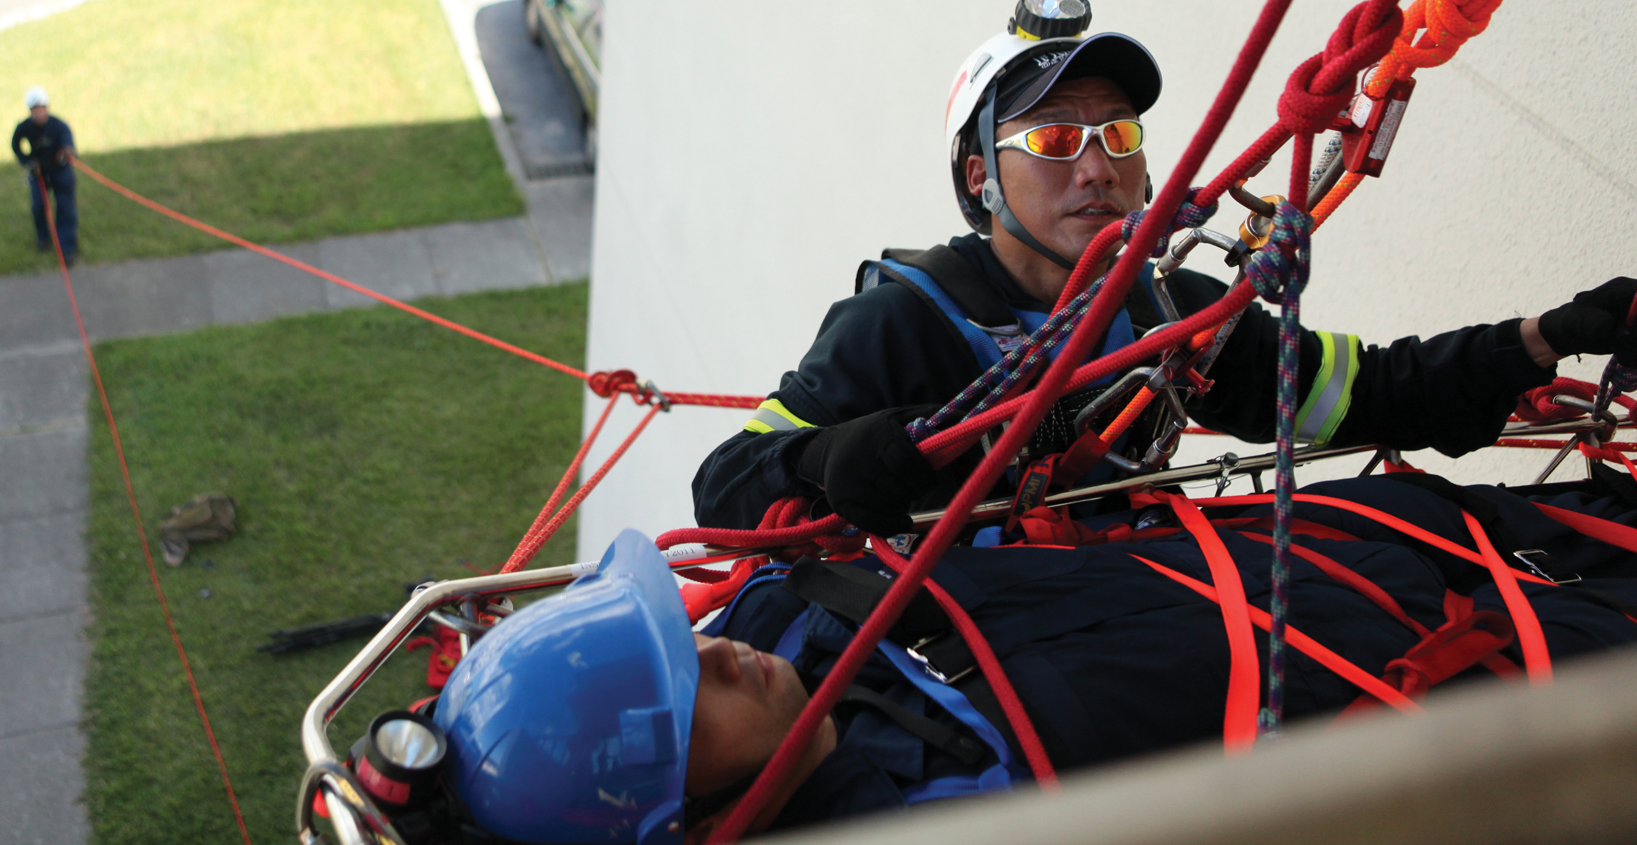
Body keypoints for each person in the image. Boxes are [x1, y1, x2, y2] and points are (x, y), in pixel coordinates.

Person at [693, 0, 1637, 534]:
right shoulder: (905, 320)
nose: (1098, 163)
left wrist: (1544, 336)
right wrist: (825, 456)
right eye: (1053, 142)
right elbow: (727, 482)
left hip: (1131, 596)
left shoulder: (1169, 311)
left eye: (1117, 131)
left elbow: (1369, 392)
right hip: (969, 629)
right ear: (981, 178)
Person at [430, 473, 1637, 838]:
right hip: (1464, 676)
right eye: (683, 696)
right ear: (679, 820)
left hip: (1366, 532)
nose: (716, 658)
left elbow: (752, 478)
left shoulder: (773, 609)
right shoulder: (939, 818)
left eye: (676, 639)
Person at [10, 85, 79, 259]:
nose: (39, 113)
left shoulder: (59, 126)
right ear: (30, 111)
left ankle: (67, 248)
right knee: (38, 206)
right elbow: (16, 145)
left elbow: (68, 143)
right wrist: (28, 161)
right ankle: (43, 238)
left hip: (60, 171)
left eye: (41, 109)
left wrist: (66, 152)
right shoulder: (24, 128)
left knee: (65, 208)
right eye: (35, 110)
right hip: (39, 173)